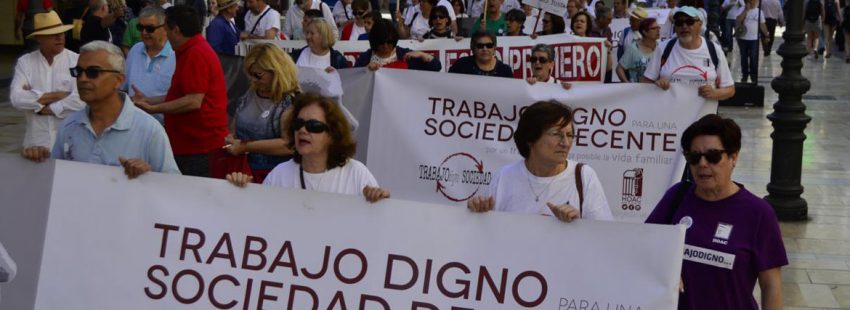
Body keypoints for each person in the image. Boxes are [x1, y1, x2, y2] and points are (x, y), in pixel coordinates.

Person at [645, 114, 786, 310]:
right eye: (694, 157)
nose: (702, 164)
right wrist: (665, 267)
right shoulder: (676, 197)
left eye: (712, 156)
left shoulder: (758, 213)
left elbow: (771, 285)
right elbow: (644, 247)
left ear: (733, 157)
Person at [21, 41, 180, 177]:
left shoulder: (149, 130)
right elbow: (58, 179)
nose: (82, 79)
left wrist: (149, 176)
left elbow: (171, 187)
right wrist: (38, 160)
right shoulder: (69, 127)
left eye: (93, 72)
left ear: (118, 80)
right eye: (78, 72)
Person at [226, 93, 391, 203]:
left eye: (314, 125)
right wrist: (240, 191)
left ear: (332, 134)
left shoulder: (356, 174)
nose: (303, 130)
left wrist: (378, 199)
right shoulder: (279, 175)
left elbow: (376, 223)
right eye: (299, 124)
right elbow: (260, 217)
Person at [467, 101, 614, 222]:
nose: (566, 143)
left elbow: (604, 236)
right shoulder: (504, 177)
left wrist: (579, 224)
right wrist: (478, 211)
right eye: (557, 134)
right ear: (531, 138)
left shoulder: (584, 176)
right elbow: (484, 234)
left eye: (569, 135)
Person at [132, 6, 229, 177]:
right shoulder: (191, 50)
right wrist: (149, 100)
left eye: (166, 29)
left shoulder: (196, 53)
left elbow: (193, 101)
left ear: (176, 29)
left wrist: (154, 109)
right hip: (191, 144)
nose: (167, 35)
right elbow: (182, 95)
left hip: (198, 146)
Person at [11, 10, 86, 150]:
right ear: (39, 38)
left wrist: (43, 107)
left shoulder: (77, 60)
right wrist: (60, 95)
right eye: (52, 34)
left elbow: (82, 100)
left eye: (62, 33)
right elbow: (17, 99)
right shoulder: (25, 62)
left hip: (71, 144)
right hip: (36, 144)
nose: (59, 37)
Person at [225, 43, 298, 182]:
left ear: (276, 71)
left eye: (258, 75)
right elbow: (235, 126)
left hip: (274, 176)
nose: (253, 79)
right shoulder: (251, 93)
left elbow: (289, 145)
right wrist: (231, 139)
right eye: (251, 74)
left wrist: (245, 147)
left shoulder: (290, 101)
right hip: (242, 172)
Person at [642, 6, 735, 101]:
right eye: (679, 23)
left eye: (689, 21)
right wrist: (656, 84)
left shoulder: (714, 50)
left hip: (704, 114)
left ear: (700, 24)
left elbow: (730, 89)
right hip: (668, 113)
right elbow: (645, 82)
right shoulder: (663, 48)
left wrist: (715, 93)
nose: (684, 26)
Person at [121, 6, 174, 124]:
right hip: (132, 123)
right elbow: (122, 87)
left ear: (165, 28)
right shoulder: (135, 50)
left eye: (150, 28)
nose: (144, 32)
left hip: (164, 127)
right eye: (140, 27)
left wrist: (149, 102)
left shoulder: (176, 55)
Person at [354, 18, 442, 71]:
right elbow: (353, 79)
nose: (385, 46)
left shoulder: (405, 56)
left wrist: (422, 54)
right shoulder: (365, 58)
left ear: (394, 40)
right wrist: (365, 70)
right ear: (374, 41)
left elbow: (436, 66)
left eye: (389, 42)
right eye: (381, 42)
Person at [449, 31, 513, 77]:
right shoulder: (461, 65)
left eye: (489, 45)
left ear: (494, 48)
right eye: (480, 46)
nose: (485, 49)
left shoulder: (505, 70)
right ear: (473, 48)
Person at [617, 17, 659, 82]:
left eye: (658, 27)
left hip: (657, 91)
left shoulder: (662, 47)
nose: (658, 30)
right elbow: (619, 69)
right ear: (645, 32)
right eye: (654, 28)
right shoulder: (633, 48)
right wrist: (626, 83)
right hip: (637, 90)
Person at [735, 0, 768, 84]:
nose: (753, 2)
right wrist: (746, 10)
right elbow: (738, 20)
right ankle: (744, 76)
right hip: (743, 39)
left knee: (754, 58)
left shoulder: (759, 11)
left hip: (754, 39)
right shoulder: (742, 9)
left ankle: (753, 76)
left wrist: (766, 34)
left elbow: (762, 24)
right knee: (743, 58)